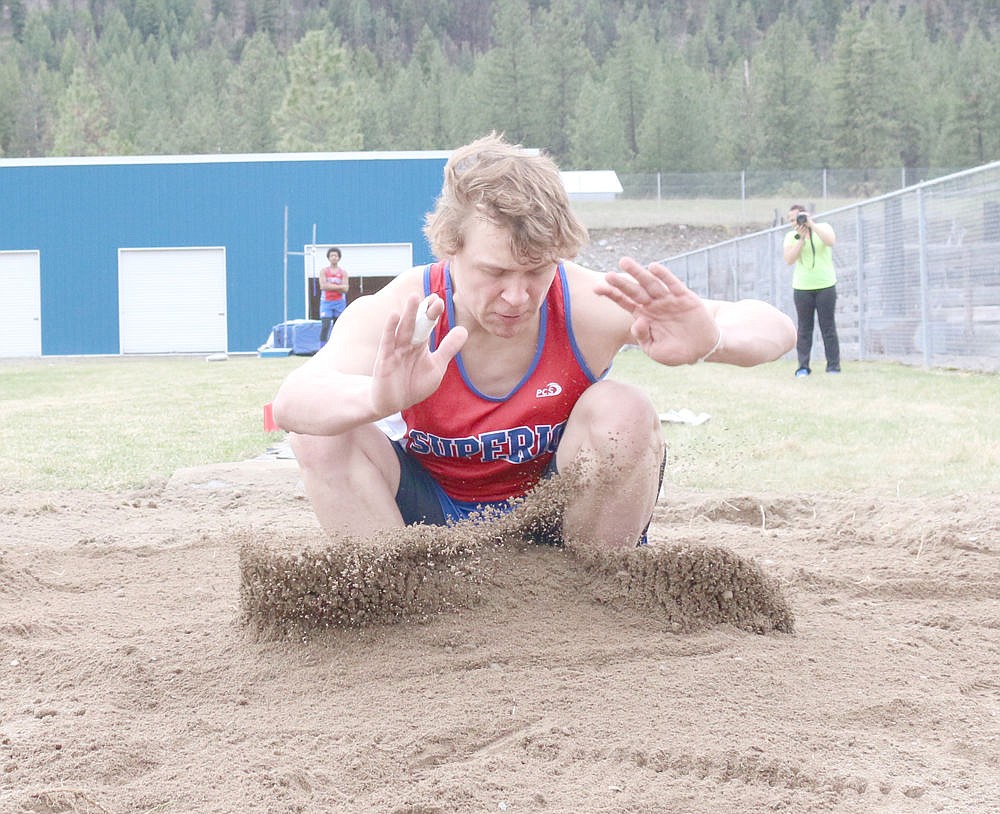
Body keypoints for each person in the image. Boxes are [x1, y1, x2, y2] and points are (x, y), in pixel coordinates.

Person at [272, 134, 796, 548]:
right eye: (495, 272)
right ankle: (392, 596)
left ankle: (603, 591)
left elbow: (776, 328)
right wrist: (376, 399)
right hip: (429, 523)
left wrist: (713, 339)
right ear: (450, 249)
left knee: (625, 409)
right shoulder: (405, 309)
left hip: (555, 516)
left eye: (537, 270)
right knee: (323, 434)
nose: (518, 296)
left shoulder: (588, 302)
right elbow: (293, 403)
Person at [783, 204, 840, 376]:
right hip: (802, 288)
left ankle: (833, 366)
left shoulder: (823, 227)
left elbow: (830, 241)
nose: (795, 223)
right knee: (804, 328)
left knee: (828, 327)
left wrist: (812, 225)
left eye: (798, 219)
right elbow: (789, 260)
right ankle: (803, 367)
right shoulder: (791, 236)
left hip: (825, 286)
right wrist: (801, 239)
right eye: (791, 220)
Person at [318, 247, 349, 345]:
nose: (334, 257)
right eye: (332, 256)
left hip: (339, 302)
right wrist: (339, 287)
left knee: (338, 327)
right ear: (328, 258)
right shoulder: (324, 271)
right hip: (326, 302)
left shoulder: (343, 272)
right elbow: (323, 286)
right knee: (325, 325)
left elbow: (346, 289)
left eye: (336, 256)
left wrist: (330, 286)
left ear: (339, 257)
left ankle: (338, 346)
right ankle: (322, 347)